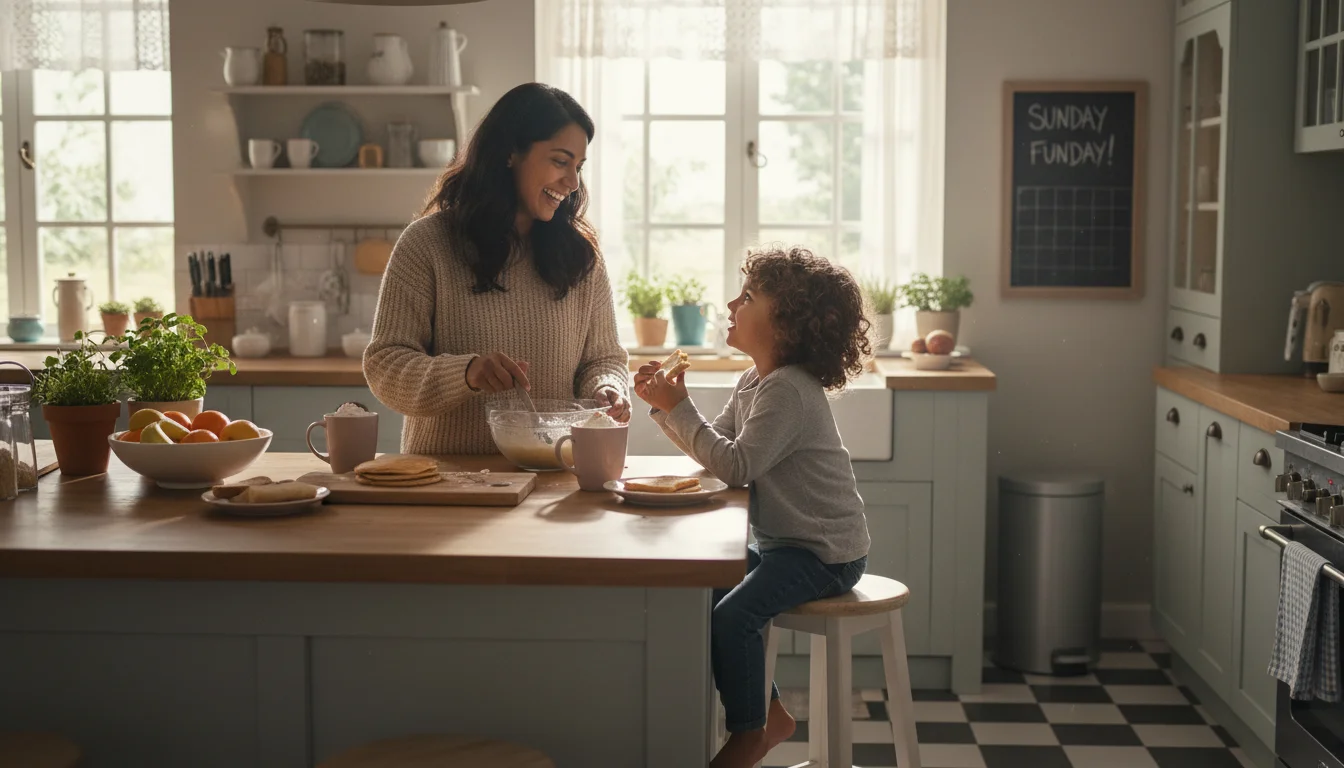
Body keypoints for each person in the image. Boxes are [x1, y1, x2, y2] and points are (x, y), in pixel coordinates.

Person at [634, 245, 873, 768]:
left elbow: (736, 465)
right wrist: (666, 404)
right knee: (715, 580)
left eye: (747, 297)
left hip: (823, 553)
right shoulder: (756, 381)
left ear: (785, 321)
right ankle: (771, 714)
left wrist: (680, 409)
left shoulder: (788, 391)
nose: (730, 303)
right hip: (789, 545)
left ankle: (749, 733)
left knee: (735, 615)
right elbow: (716, 443)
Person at [365, 83, 631, 455]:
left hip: (552, 482)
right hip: (445, 483)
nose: (572, 183)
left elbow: (604, 359)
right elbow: (385, 365)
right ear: (510, 153)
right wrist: (466, 373)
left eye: (578, 167)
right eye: (559, 161)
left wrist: (607, 387)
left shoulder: (581, 257)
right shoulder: (427, 244)